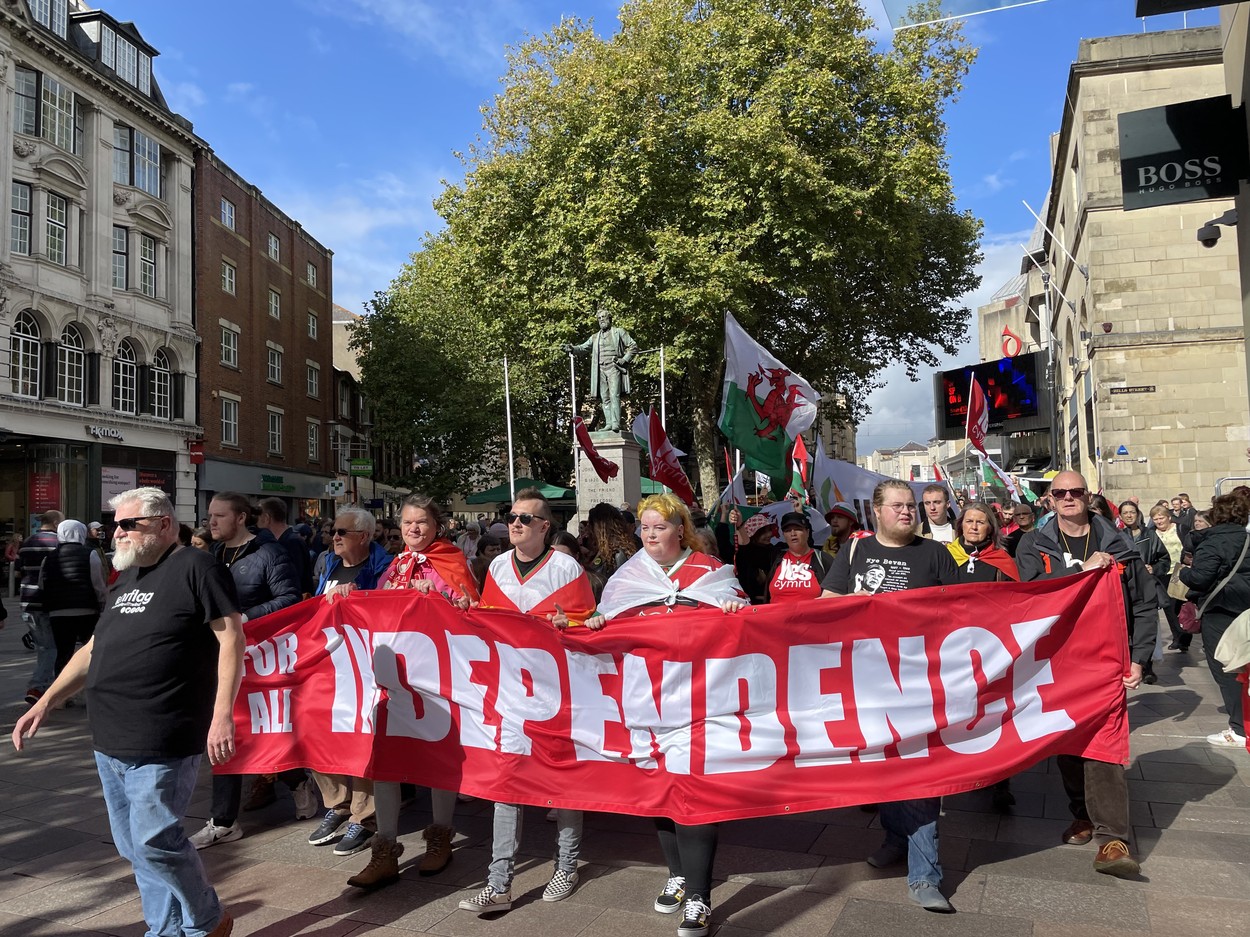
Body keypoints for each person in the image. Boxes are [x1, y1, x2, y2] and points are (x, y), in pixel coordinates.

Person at [12, 486, 242, 937]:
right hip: (110, 738)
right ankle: (165, 930)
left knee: (157, 842)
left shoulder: (196, 566)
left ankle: (209, 919)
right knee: (134, 847)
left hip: (163, 734)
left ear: (164, 524)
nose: (117, 532)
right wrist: (45, 700)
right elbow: (93, 649)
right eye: (115, 524)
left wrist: (222, 714)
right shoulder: (128, 575)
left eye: (129, 524)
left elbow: (231, 637)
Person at [586, 493, 746, 937]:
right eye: (645, 527)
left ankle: (699, 896)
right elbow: (607, 617)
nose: (651, 534)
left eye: (660, 527)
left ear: (680, 530)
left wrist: (735, 609)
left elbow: (745, 617)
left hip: (700, 700)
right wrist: (599, 622)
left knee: (696, 793)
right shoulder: (628, 574)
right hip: (647, 700)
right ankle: (678, 874)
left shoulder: (710, 572)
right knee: (661, 789)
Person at [820, 479, 959, 912]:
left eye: (911, 505)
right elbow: (825, 602)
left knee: (921, 774)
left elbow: (965, 611)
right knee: (883, 770)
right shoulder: (854, 551)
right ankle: (895, 838)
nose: (907, 511)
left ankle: (925, 876)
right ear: (876, 512)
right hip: (867, 682)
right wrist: (849, 605)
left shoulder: (936, 553)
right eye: (897, 505)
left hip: (919, 684)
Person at [458, 488, 597, 915]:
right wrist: (466, 609)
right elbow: (489, 621)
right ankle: (499, 879)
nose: (514, 523)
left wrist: (565, 624)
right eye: (511, 516)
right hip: (511, 691)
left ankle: (567, 864)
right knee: (507, 781)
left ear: (544, 527)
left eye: (524, 517)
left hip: (557, 692)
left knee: (562, 779)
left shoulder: (566, 567)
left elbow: (588, 626)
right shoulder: (498, 565)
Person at [1016, 471, 1151, 878]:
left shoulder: (1121, 544)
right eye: (1060, 493)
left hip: (1106, 660)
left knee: (1103, 742)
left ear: (1088, 497)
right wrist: (1082, 572)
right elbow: (1031, 597)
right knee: (1068, 741)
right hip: (1057, 660)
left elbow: (1144, 604)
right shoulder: (1032, 543)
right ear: (1050, 500)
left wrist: (1140, 656)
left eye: (1075, 492)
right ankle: (1082, 813)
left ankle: (1114, 838)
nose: (1068, 498)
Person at [347, 494, 480, 890]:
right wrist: (348, 599)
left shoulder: (453, 561)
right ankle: (385, 848)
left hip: (437, 679)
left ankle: (441, 835)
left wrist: (439, 598)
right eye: (407, 523)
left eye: (421, 522)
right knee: (386, 759)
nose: (414, 530)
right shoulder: (396, 563)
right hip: (395, 679)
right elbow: (378, 613)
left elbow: (471, 612)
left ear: (436, 525)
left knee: (437, 758)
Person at [191, 493, 306, 849]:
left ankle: (296, 780)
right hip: (219, 658)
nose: (211, 522)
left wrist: (245, 618)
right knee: (226, 731)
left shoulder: (269, 554)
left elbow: (289, 598)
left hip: (260, 659)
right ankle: (224, 820)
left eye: (219, 516)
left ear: (241, 518)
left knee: (260, 731)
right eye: (209, 515)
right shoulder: (213, 555)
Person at [306, 507, 396, 857]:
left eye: (342, 531)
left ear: (364, 536)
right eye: (333, 531)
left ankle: (364, 815)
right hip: (328, 662)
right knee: (316, 729)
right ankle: (337, 803)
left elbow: (389, 609)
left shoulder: (383, 567)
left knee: (360, 736)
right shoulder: (329, 564)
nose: (334, 537)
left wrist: (362, 596)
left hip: (365, 665)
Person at [1179, 491, 1250, 748]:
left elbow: (1200, 578)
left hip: (1221, 612)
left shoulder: (1213, 541)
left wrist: (1186, 572)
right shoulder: (1247, 539)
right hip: (1246, 611)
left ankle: (1240, 729)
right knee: (1245, 668)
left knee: (1226, 670)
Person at [40, 520, 107, 678]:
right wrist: (103, 603)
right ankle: (90, 687)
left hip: (58, 612)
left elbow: (42, 585)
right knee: (90, 650)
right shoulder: (90, 554)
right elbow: (98, 584)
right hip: (86, 610)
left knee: (63, 653)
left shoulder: (48, 558)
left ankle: (62, 696)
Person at [562, 308, 639, 432]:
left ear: (610, 319)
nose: (602, 320)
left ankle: (615, 423)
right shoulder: (595, 337)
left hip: (614, 368)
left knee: (614, 395)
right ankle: (608, 423)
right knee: (605, 398)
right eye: (599, 318)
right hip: (601, 370)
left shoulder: (619, 332)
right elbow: (582, 348)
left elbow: (633, 346)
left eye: (604, 317)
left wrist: (624, 359)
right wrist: (572, 348)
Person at [16, 509, 64, 705]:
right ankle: (38, 686)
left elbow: (18, 572)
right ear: (54, 523)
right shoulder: (58, 544)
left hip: (27, 601)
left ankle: (48, 686)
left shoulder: (27, 543)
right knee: (49, 648)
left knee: (44, 646)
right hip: (48, 601)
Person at [1119, 500, 1170, 683]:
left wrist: (1154, 568)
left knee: (1148, 624)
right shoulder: (1118, 536)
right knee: (1130, 626)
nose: (1129, 515)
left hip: (1147, 585)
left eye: (1132, 512)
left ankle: (1147, 666)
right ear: (1120, 516)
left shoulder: (1149, 535)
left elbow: (1164, 558)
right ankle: (1134, 663)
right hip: (1127, 585)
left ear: (1138, 514)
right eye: (1125, 513)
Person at [947, 503, 1018, 584]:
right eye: (969, 521)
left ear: (990, 528)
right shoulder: (947, 556)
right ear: (961, 525)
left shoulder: (1002, 560)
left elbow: (1013, 594)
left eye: (980, 522)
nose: (974, 527)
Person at [256, 497, 313, 597]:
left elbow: (294, 580)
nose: (256, 521)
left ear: (266, 518)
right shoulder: (283, 541)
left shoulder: (292, 542)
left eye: (258, 516)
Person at [766, 512, 829, 602]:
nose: (793, 533)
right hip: (777, 615)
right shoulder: (775, 557)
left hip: (811, 615)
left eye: (798, 529)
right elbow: (746, 553)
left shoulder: (823, 559)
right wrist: (739, 526)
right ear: (783, 535)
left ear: (807, 532)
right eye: (787, 530)